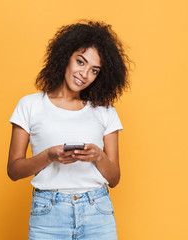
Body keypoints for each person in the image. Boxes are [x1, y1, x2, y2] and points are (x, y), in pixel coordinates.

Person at [7, 20, 130, 240]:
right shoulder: (30, 105)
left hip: (98, 213)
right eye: (80, 62)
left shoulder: (105, 112)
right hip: (48, 214)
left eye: (94, 70)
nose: (84, 74)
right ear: (65, 56)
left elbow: (114, 178)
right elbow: (14, 171)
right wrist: (49, 156)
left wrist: (98, 156)